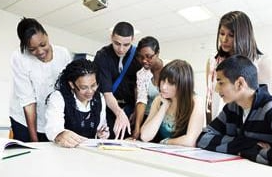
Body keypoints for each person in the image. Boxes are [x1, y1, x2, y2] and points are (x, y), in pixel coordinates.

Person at [197, 54, 272, 166]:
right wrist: (247, 144)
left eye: (221, 83)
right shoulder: (231, 108)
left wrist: (241, 149)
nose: (217, 89)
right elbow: (203, 138)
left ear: (240, 83)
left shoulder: (269, 108)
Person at [9, 17, 71, 142]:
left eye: (43, 44)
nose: (40, 51)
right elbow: (28, 102)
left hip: (51, 117)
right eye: (32, 49)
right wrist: (34, 140)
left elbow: (68, 91)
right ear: (25, 46)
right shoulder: (19, 58)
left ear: (46, 36)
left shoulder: (63, 54)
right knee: (30, 154)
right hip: (24, 120)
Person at [205, 11, 272, 123]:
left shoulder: (262, 62)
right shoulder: (213, 62)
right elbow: (210, 98)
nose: (224, 40)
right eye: (222, 34)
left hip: (250, 126)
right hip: (220, 123)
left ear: (243, 36)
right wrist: (210, 125)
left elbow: (267, 103)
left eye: (231, 35)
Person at [45, 59, 109, 148]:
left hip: (89, 152)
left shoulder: (99, 98)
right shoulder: (58, 98)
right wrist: (60, 134)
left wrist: (103, 134)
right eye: (84, 87)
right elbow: (52, 129)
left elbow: (102, 127)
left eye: (93, 85)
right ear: (72, 84)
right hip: (63, 151)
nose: (90, 91)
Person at [93, 22, 141, 139]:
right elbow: (107, 93)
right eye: (117, 43)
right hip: (109, 108)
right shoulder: (102, 56)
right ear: (111, 37)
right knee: (107, 140)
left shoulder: (138, 56)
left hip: (130, 109)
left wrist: (136, 110)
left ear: (132, 39)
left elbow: (139, 87)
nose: (121, 49)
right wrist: (119, 113)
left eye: (126, 45)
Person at [141, 59, 205, 147]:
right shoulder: (159, 100)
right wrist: (164, 107)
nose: (163, 87)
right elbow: (145, 136)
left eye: (171, 83)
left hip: (185, 156)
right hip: (162, 154)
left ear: (183, 84)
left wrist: (166, 142)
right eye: (163, 81)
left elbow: (190, 141)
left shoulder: (196, 101)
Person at [132, 36, 163, 140]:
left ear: (157, 53)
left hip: (165, 119)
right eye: (141, 57)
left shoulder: (170, 68)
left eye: (149, 56)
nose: (144, 61)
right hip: (147, 118)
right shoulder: (141, 74)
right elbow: (141, 100)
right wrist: (137, 128)